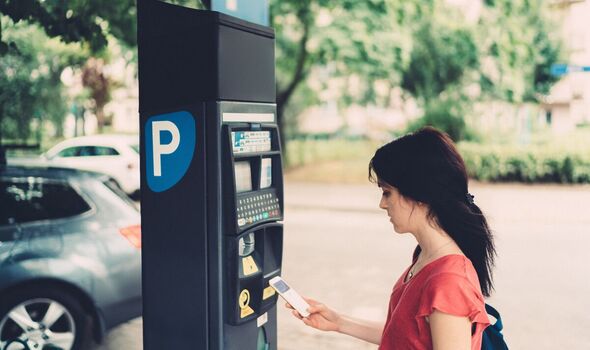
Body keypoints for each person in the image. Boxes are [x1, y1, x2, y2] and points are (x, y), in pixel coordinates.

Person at [286, 127, 496, 350]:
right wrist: (338, 322)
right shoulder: (426, 255)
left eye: (387, 192)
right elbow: (404, 333)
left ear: (419, 195)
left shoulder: (449, 280)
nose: (382, 204)